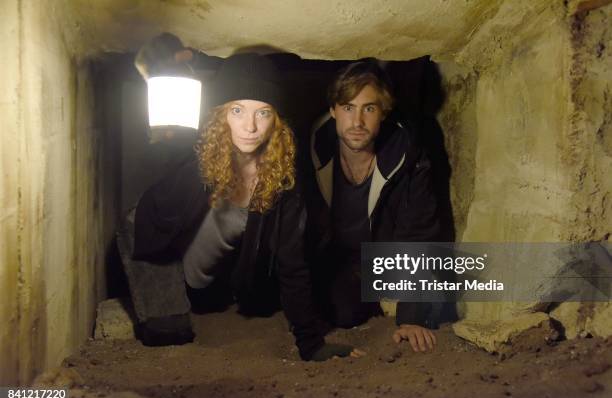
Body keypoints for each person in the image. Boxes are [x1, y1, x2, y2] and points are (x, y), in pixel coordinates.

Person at [118, 36, 362, 361]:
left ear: (276, 121)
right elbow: (143, 212)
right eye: (237, 110)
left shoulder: (283, 178)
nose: (249, 126)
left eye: (262, 113)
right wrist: (158, 58)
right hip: (180, 276)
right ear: (222, 116)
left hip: (226, 289)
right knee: (167, 333)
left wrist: (311, 344)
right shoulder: (198, 156)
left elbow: (293, 262)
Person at [305, 60, 440, 353]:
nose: (357, 122)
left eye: (369, 108)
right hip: (340, 260)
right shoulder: (314, 149)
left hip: (386, 258)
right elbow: (300, 230)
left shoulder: (408, 155)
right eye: (348, 107)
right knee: (341, 314)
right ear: (332, 111)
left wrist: (412, 318)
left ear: (383, 113)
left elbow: (418, 233)